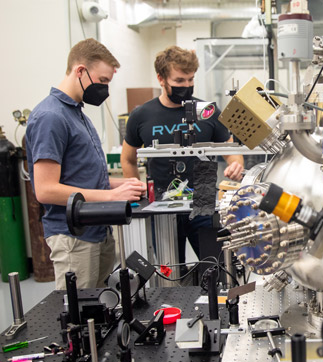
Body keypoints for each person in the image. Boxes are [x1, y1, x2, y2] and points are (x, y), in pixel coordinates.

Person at [26, 38, 147, 290]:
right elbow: (46, 190)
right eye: (102, 81)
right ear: (80, 71)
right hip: (74, 236)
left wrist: (126, 185)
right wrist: (112, 195)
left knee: (101, 307)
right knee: (80, 317)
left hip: (97, 231)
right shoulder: (51, 116)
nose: (105, 89)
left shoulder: (76, 113)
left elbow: (84, 177)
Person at [121, 46, 243, 261]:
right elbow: (128, 158)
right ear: (161, 79)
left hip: (204, 201)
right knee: (170, 272)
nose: (186, 86)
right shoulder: (142, 115)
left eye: (190, 80)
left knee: (216, 268)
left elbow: (231, 151)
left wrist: (236, 165)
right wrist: (134, 190)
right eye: (179, 81)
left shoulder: (208, 111)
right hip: (161, 205)